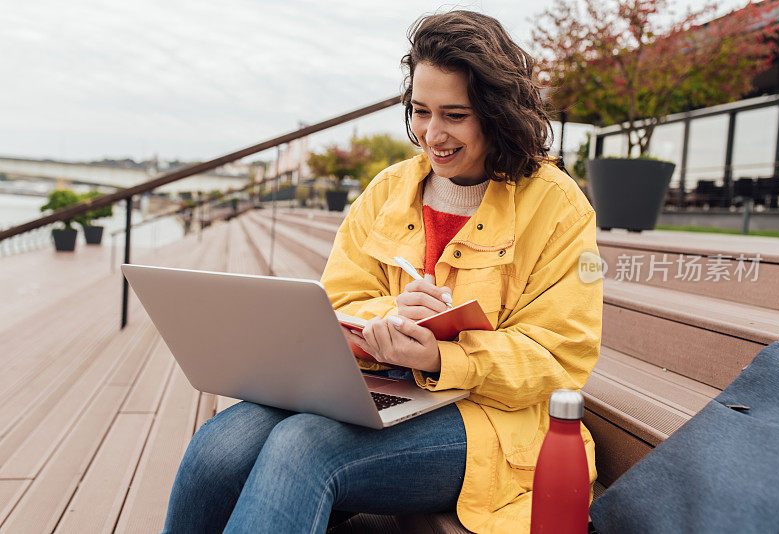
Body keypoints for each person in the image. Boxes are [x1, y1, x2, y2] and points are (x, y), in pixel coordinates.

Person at [160, 10, 601, 534]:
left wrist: (443, 355)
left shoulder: (557, 208)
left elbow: (561, 357)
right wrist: (389, 319)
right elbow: (341, 299)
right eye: (420, 111)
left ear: (497, 112)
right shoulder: (389, 189)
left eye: (455, 115)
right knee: (219, 448)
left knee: (303, 449)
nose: (432, 134)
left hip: (490, 421)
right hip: (373, 389)